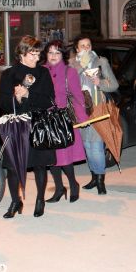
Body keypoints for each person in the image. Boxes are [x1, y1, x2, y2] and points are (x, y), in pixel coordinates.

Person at [0, 35, 55, 218]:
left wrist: (29, 94)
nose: (37, 58)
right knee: (13, 166)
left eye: (38, 54)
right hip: (16, 126)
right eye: (33, 54)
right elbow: (2, 102)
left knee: (39, 164)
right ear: (22, 53)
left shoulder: (43, 73)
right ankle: (16, 201)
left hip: (38, 123)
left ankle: (40, 199)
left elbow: (49, 100)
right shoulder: (9, 74)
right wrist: (16, 97)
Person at [42, 40, 86, 203]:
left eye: (57, 52)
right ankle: (59, 188)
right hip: (45, 120)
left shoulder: (70, 72)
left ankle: (73, 184)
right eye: (50, 52)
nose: (53, 56)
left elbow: (77, 97)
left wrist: (81, 118)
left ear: (63, 55)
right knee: (51, 158)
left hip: (62, 120)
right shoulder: (40, 71)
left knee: (64, 157)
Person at [74, 37, 119, 195]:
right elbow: (68, 83)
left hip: (97, 109)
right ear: (77, 49)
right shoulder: (73, 64)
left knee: (97, 147)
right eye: (82, 46)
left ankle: (100, 180)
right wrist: (81, 65)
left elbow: (114, 85)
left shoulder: (101, 62)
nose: (86, 48)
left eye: (88, 45)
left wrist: (99, 82)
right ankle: (93, 177)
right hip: (79, 110)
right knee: (87, 145)